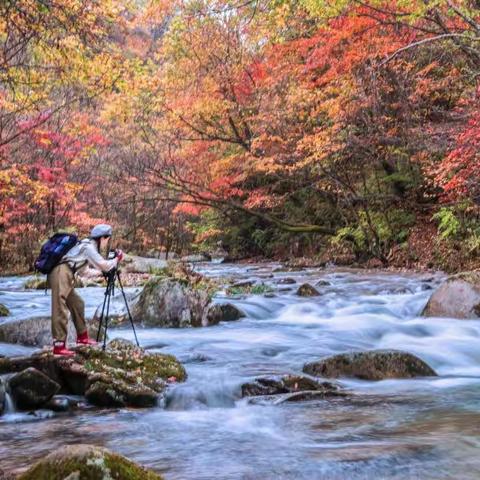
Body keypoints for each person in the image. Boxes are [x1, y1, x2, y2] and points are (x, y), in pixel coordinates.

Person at [47, 224, 124, 356]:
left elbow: (84, 272)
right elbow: (104, 265)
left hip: (66, 273)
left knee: (78, 303)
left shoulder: (86, 246)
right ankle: (59, 345)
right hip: (60, 272)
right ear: (102, 238)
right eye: (107, 239)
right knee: (60, 308)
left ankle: (82, 338)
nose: (107, 243)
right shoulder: (88, 247)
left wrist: (101, 273)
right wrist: (116, 259)